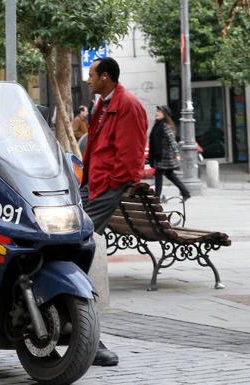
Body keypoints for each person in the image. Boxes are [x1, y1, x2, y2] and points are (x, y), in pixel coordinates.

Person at [82, 57, 148, 366]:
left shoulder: (127, 105)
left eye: (92, 75)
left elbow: (130, 152)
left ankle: (81, 322)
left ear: (105, 77)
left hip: (105, 187)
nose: (88, 80)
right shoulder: (104, 102)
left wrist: (113, 185)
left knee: (76, 245)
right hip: (93, 184)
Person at [148, 105, 191, 200]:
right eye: (157, 111)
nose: (157, 113)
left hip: (164, 157)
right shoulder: (157, 125)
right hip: (160, 156)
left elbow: (172, 141)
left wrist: (177, 153)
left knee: (158, 175)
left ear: (165, 114)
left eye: (160, 112)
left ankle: (157, 197)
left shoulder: (165, 126)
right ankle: (185, 193)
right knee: (170, 175)